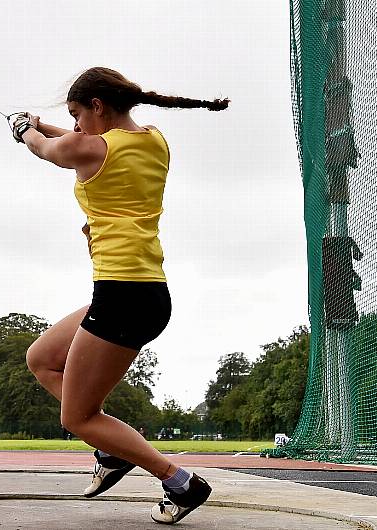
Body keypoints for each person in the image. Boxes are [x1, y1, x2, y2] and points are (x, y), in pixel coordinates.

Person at [13, 67, 229, 525]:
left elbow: (48, 148)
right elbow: (76, 141)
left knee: (76, 417)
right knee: (42, 358)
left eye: (77, 114)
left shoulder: (87, 147)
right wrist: (39, 125)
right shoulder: (154, 140)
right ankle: (112, 448)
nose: (73, 125)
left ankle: (179, 482)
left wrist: (25, 130)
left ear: (98, 107)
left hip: (124, 298)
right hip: (139, 292)